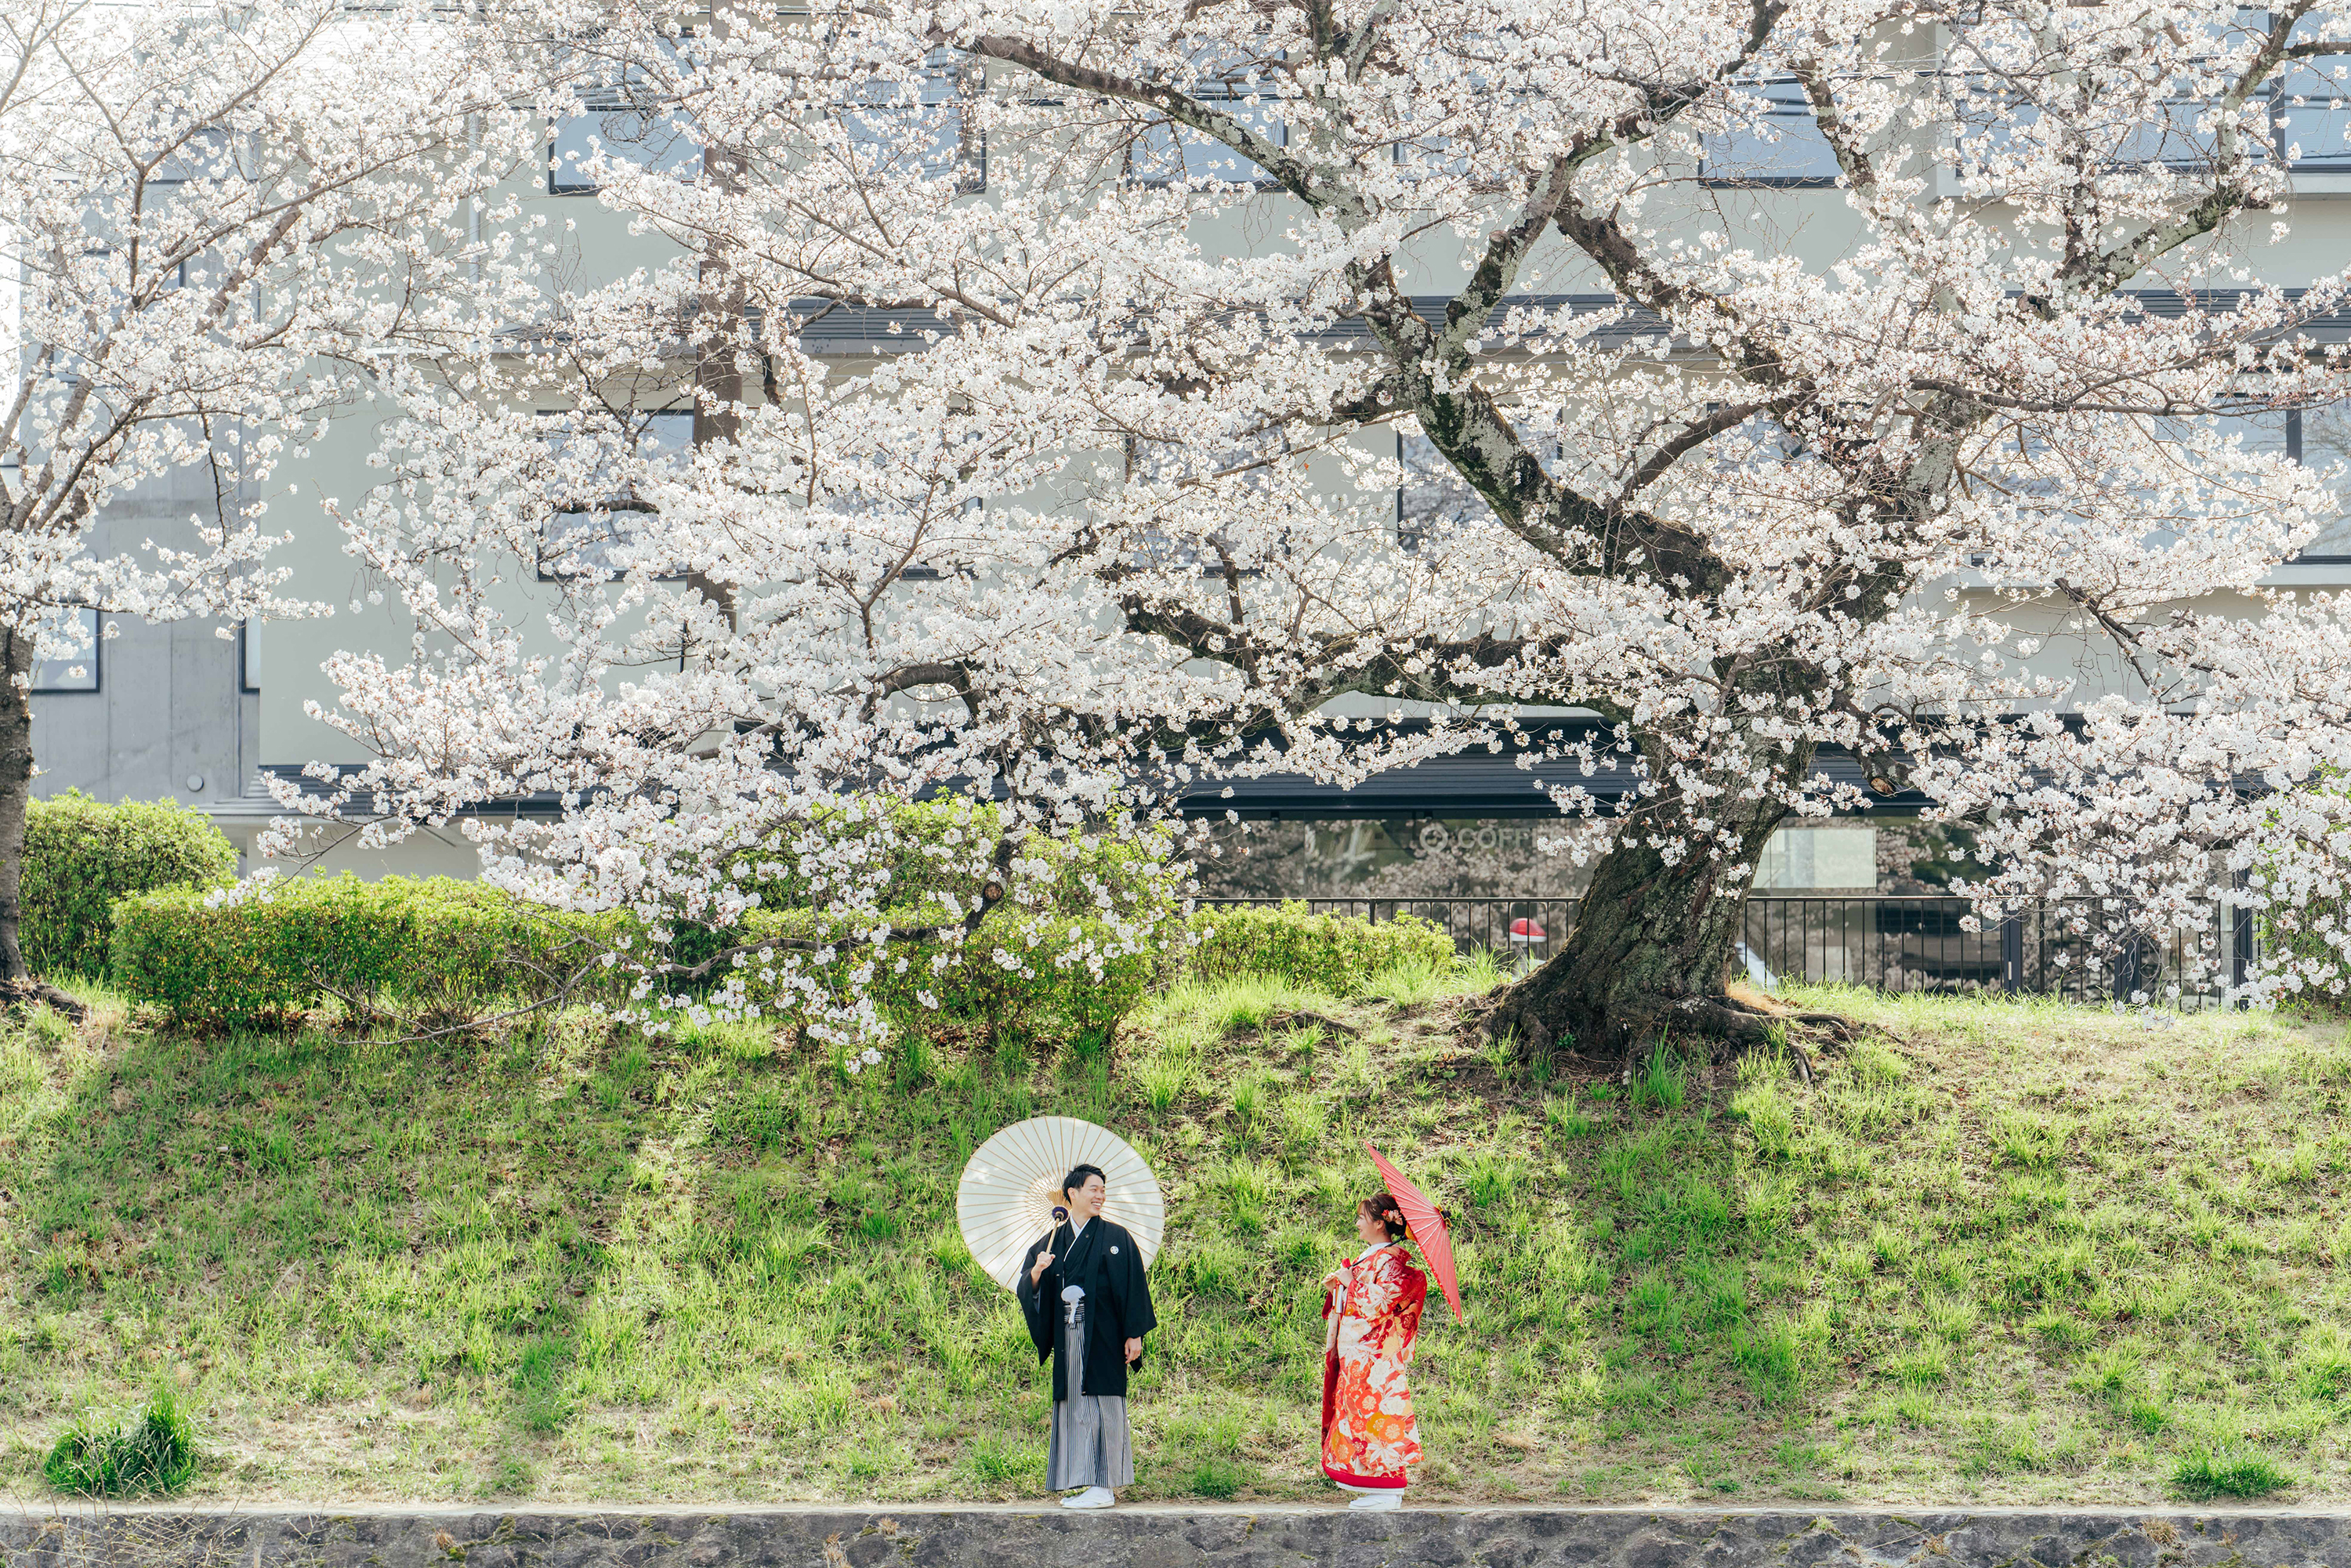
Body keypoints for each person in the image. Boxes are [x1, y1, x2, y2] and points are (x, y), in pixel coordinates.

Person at [1016, 1163, 1157, 1509]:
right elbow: (1028, 1288)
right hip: (1069, 1334)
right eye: (1094, 1189)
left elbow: (1134, 1285)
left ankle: (1104, 1486)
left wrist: (1134, 1333)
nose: (1100, 1196)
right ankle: (1085, 1481)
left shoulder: (1116, 1237)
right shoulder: (1051, 1242)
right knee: (1075, 1406)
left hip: (1106, 1334)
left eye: (1103, 1190)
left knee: (1104, 1403)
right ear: (1072, 1193)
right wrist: (1037, 1272)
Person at [1320, 1190, 1427, 1511]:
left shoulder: (1390, 1260)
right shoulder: (1373, 1256)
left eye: (1362, 1218)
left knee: (1378, 1416)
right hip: (1360, 1354)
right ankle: (1375, 1487)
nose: (1357, 1223)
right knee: (1359, 1416)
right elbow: (1357, 1300)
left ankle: (1388, 1490)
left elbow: (1380, 1303)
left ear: (1381, 1223)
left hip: (1375, 1356)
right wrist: (1339, 1289)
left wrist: (1351, 1283)